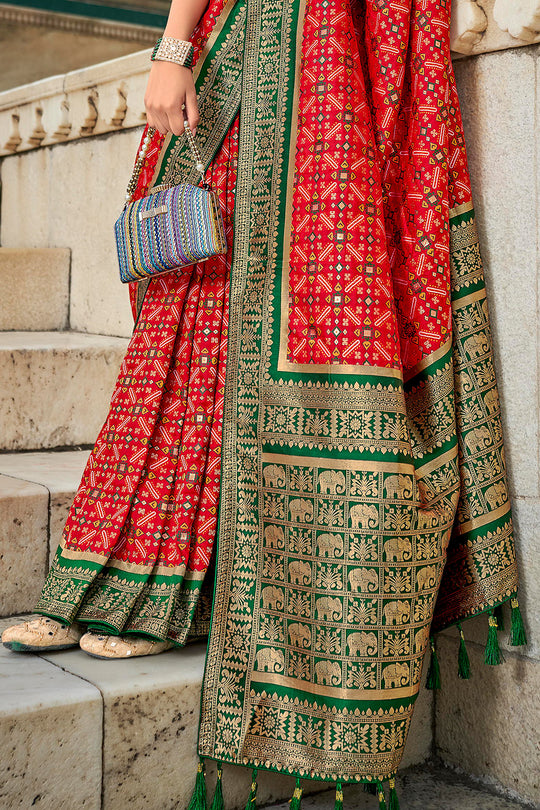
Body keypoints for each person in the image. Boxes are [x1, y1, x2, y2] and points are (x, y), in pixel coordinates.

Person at [2, 0, 527, 802]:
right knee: (199, 288)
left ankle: (190, 591)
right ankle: (120, 576)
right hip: (255, 33)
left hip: (343, 49)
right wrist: (174, 49)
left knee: (278, 312)